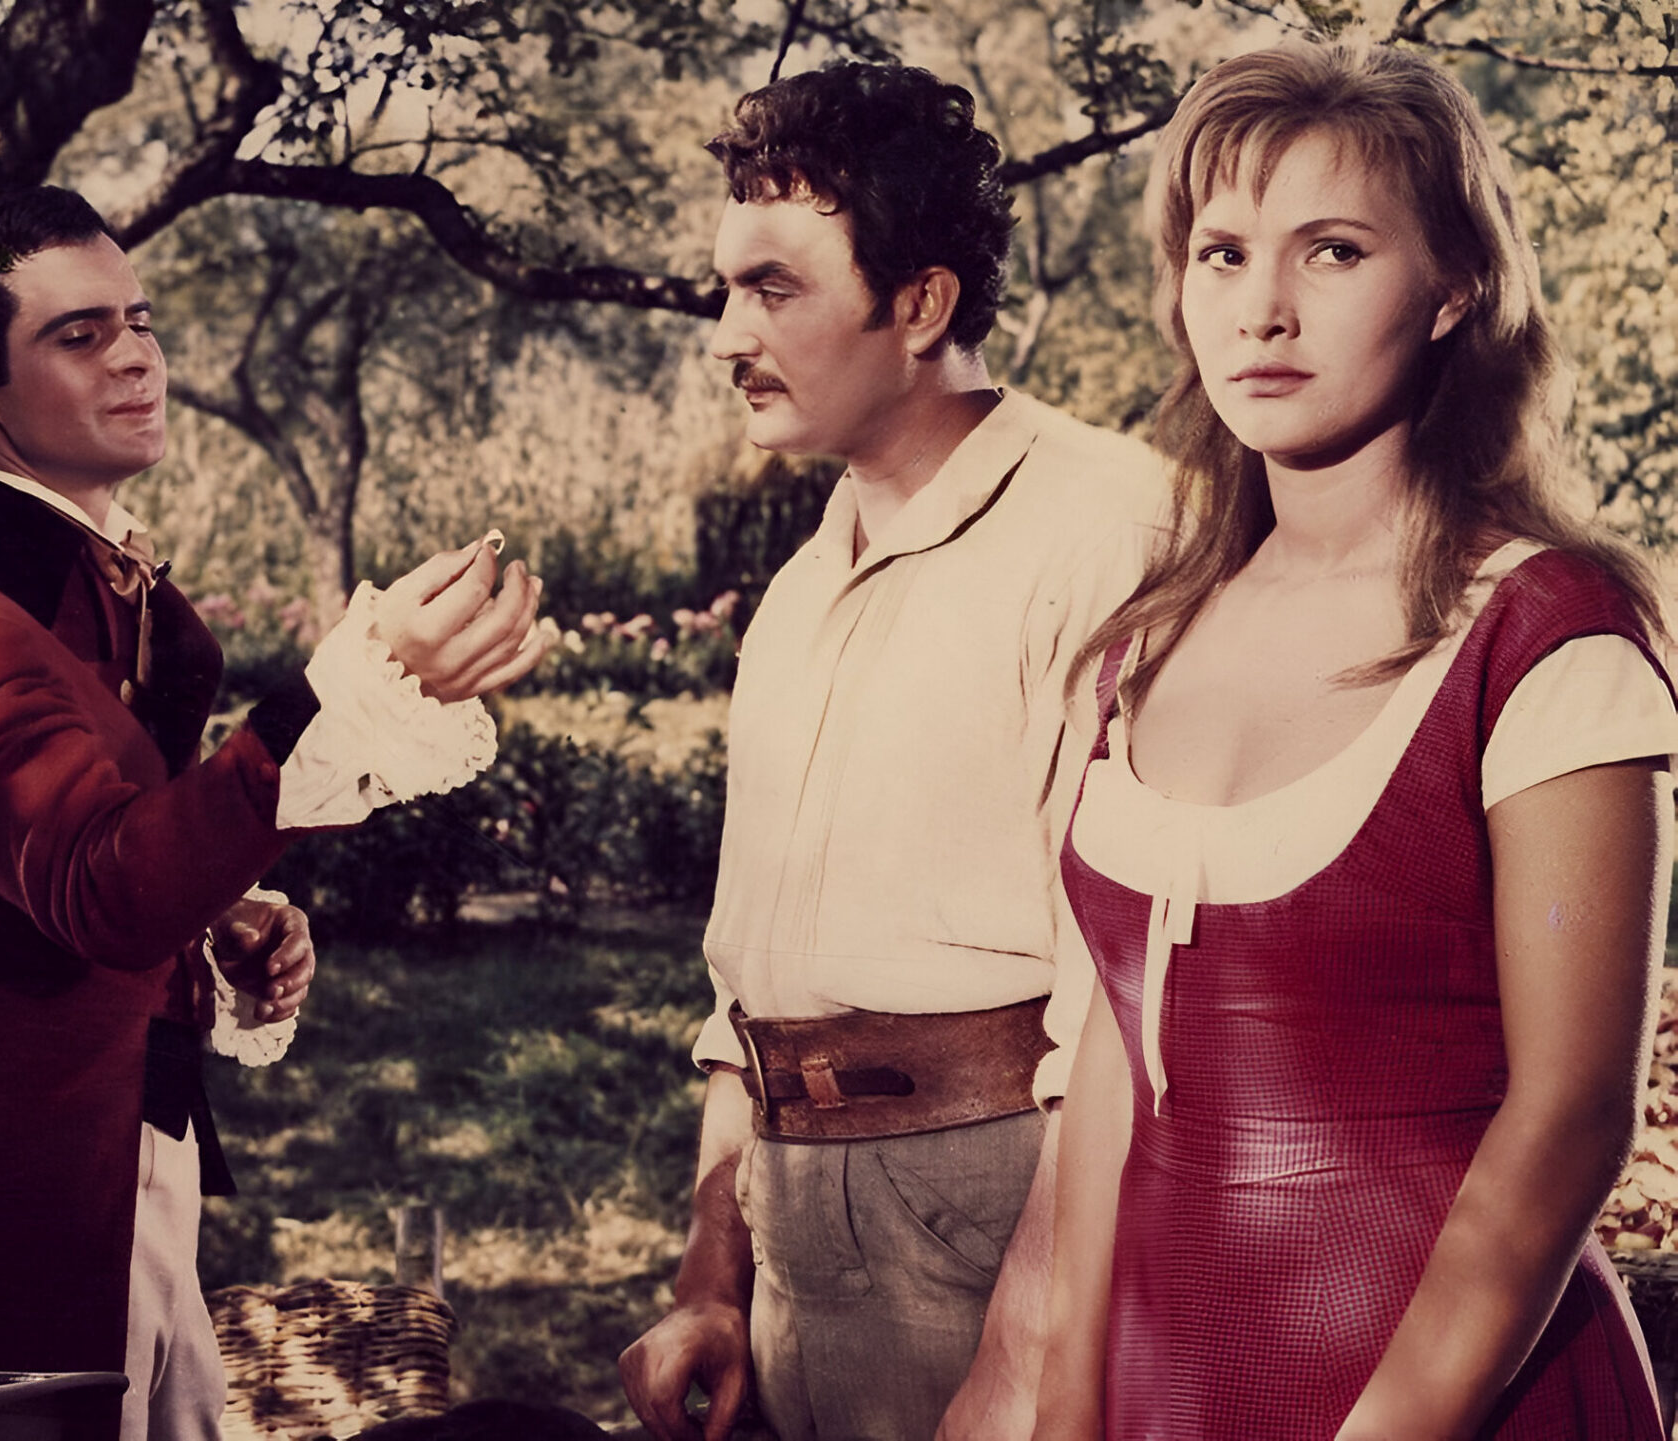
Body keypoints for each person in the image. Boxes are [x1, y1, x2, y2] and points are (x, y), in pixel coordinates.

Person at [1034, 42, 1669, 1439]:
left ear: (1453, 288)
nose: (1261, 309)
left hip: (1451, 1397)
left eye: (1331, 251)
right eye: (1221, 254)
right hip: (1168, 1389)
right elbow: (1115, 1058)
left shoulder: (1546, 629)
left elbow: (1570, 1116)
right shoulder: (1147, 634)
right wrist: (1064, 1400)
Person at [0, 184, 544, 1441]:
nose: (135, 356)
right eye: (79, 335)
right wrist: (344, 692)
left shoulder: (86, 597)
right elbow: (107, 889)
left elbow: (102, 856)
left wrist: (213, 920)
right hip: (9, 1222)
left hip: (127, 1176)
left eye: (139, 321)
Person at [618, 62, 1169, 1441]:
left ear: (920, 304)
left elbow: (1132, 1003)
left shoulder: (1112, 532)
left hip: (1007, 1229)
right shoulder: (800, 589)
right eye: (726, 289)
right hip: (794, 1243)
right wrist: (710, 1282)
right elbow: (744, 996)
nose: (728, 336)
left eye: (774, 288)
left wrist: (1027, 1353)